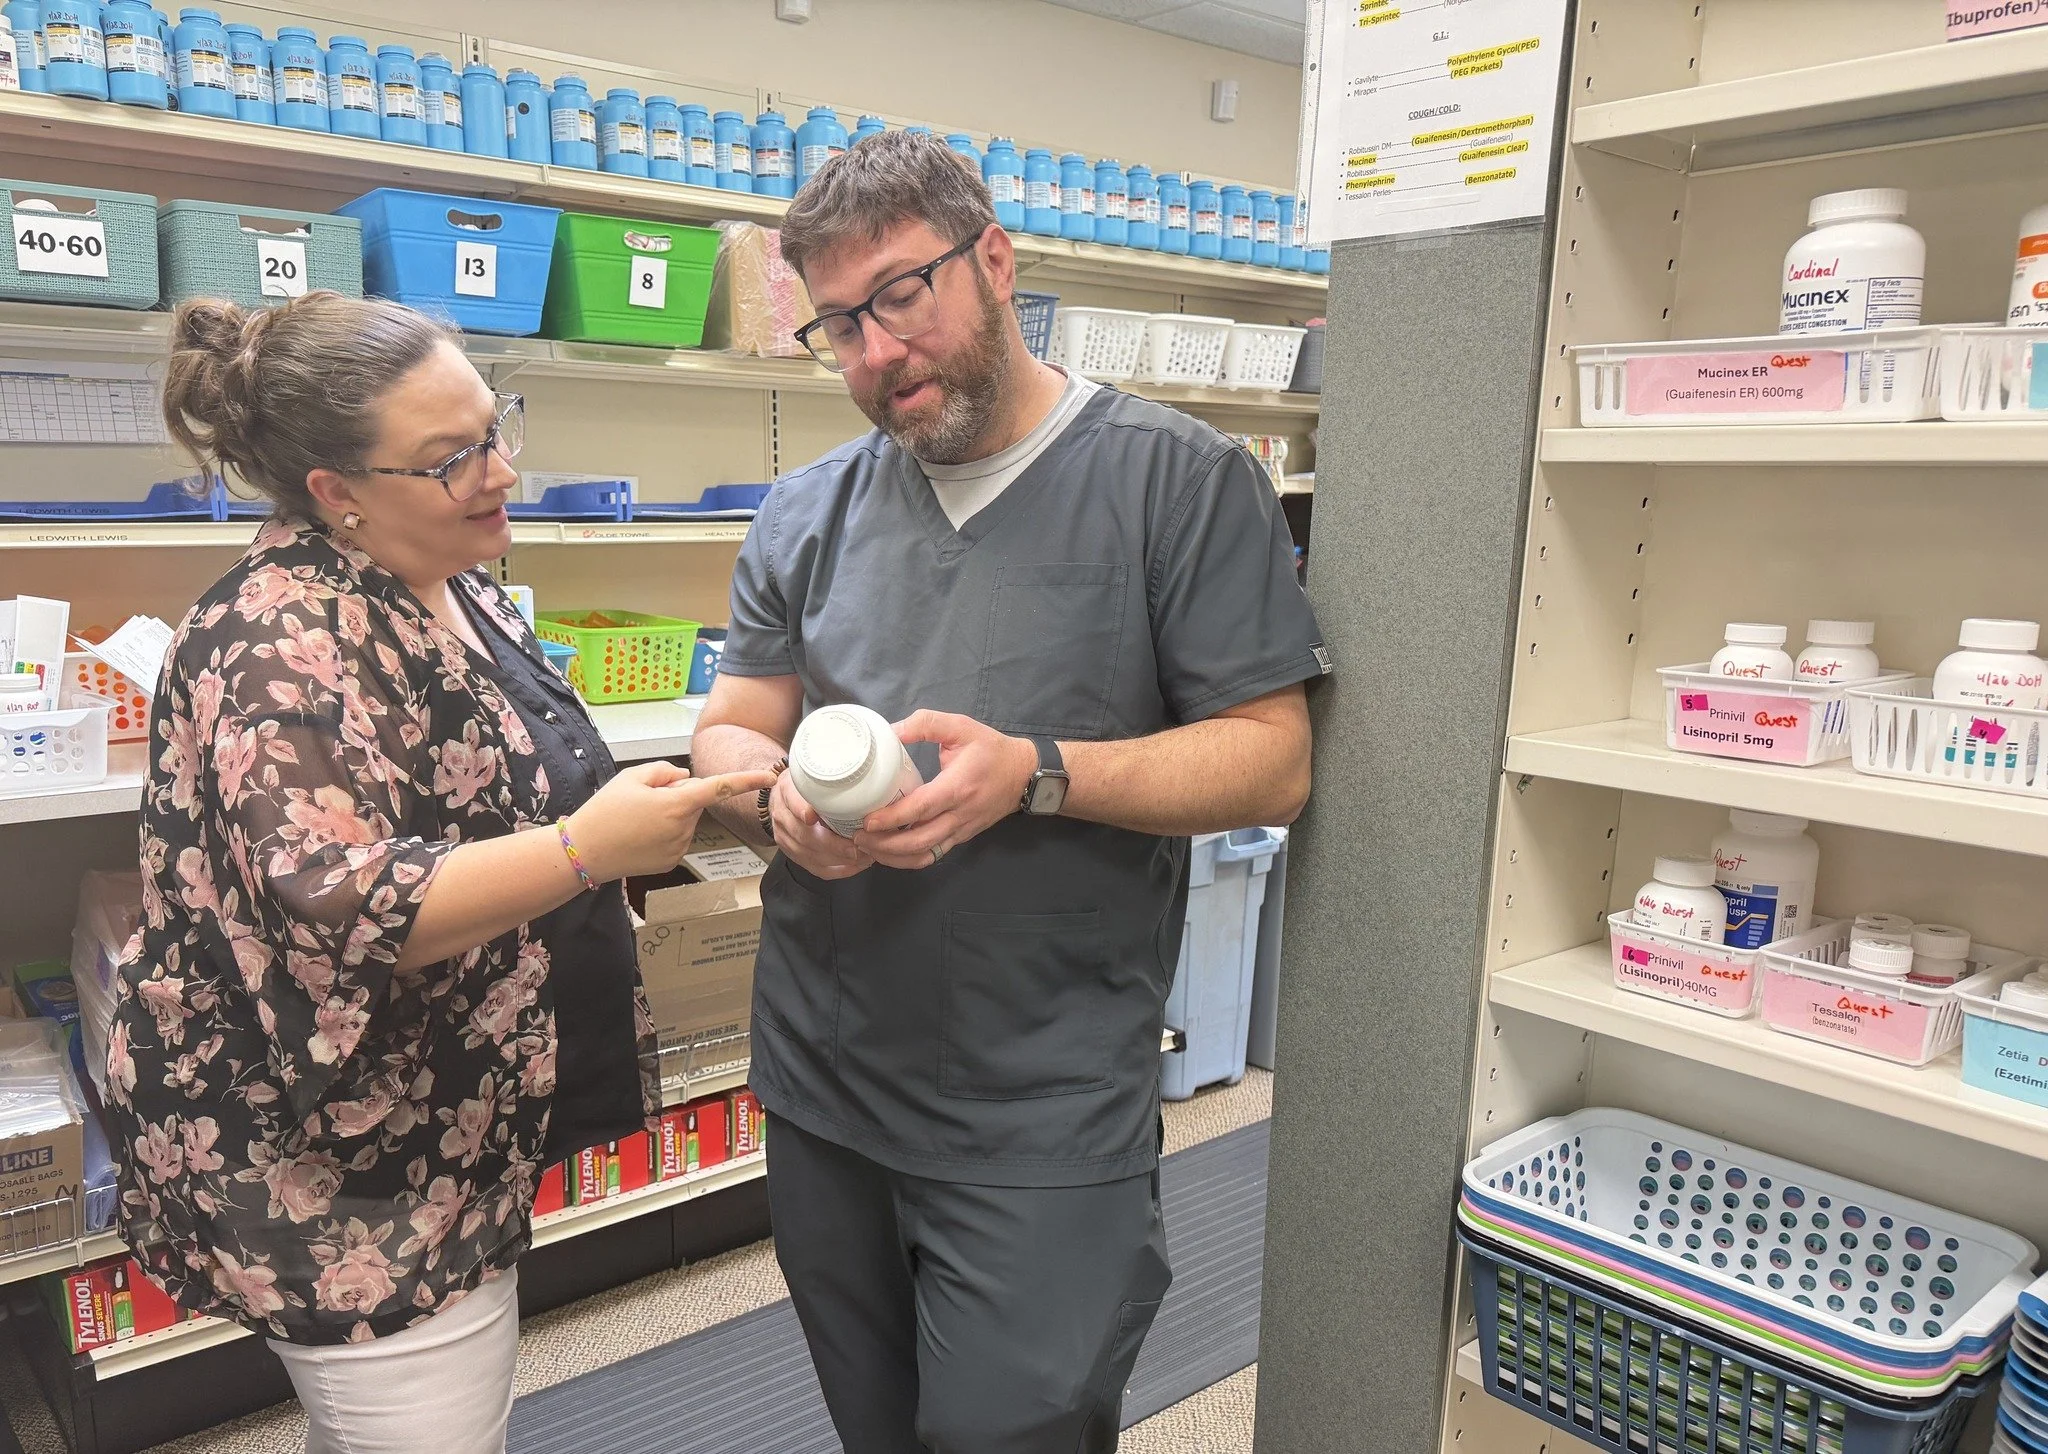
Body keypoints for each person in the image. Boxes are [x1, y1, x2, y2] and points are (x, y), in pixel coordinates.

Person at [691, 132, 1330, 1453]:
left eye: (900, 297)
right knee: (874, 1425)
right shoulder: (805, 512)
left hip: (1039, 1094)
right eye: (837, 327)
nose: (876, 354)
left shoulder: (1178, 482)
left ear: (993, 261)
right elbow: (730, 731)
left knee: (1010, 1427)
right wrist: (770, 805)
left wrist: (1038, 772)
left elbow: (1272, 754)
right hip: (826, 1073)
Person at [105, 292, 772, 1454]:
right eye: (449, 456)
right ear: (336, 491)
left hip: (448, 1120)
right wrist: (584, 851)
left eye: (493, 426)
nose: (498, 467)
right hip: (345, 1162)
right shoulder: (275, 638)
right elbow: (344, 900)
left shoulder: (443, 576)